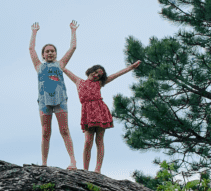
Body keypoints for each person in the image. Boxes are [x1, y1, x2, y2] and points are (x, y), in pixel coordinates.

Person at [61, 60, 141, 173]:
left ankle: (97, 169)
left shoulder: (99, 83)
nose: (96, 75)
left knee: (99, 140)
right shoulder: (79, 81)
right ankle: (85, 169)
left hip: (100, 112)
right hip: (87, 113)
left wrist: (131, 67)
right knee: (88, 141)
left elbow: (116, 75)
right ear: (91, 70)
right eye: (95, 72)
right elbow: (64, 69)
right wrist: (55, 62)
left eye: (99, 75)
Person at [29, 21, 79, 169]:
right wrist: (34, 32)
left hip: (60, 100)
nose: (50, 53)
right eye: (47, 51)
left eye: (52, 51)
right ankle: (44, 163)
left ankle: (73, 161)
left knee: (64, 130)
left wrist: (73, 30)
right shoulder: (39, 66)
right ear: (43, 55)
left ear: (56, 54)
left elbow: (73, 47)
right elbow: (31, 48)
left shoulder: (60, 64)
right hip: (44, 102)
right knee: (45, 132)